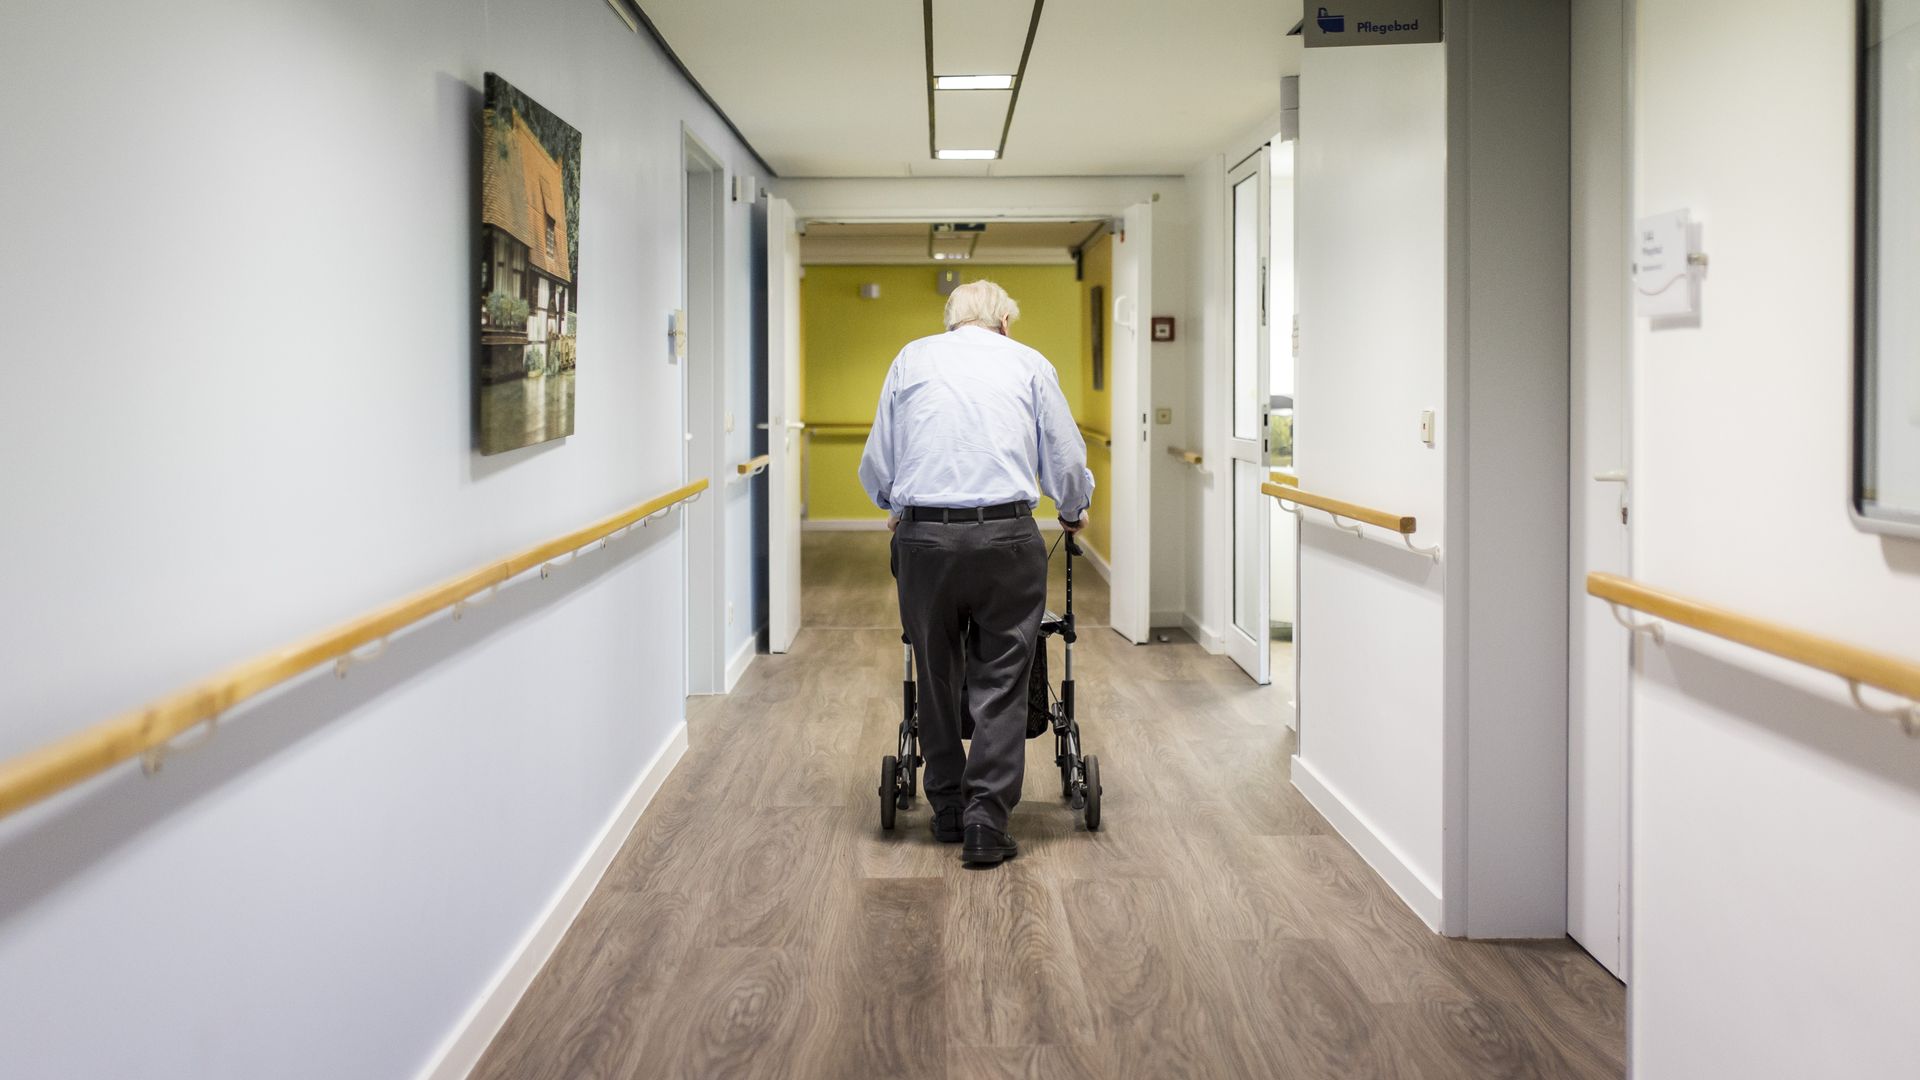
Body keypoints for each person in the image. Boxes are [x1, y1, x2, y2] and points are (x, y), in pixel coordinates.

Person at [858, 280, 1094, 867]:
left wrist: (896, 505)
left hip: (925, 539)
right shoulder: (1029, 363)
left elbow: (878, 464)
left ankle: (945, 809)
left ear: (951, 322)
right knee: (1004, 672)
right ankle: (987, 816)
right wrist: (1072, 509)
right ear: (1005, 323)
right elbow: (1064, 459)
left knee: (935, 669)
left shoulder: (912, 359)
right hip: (1006, 538)